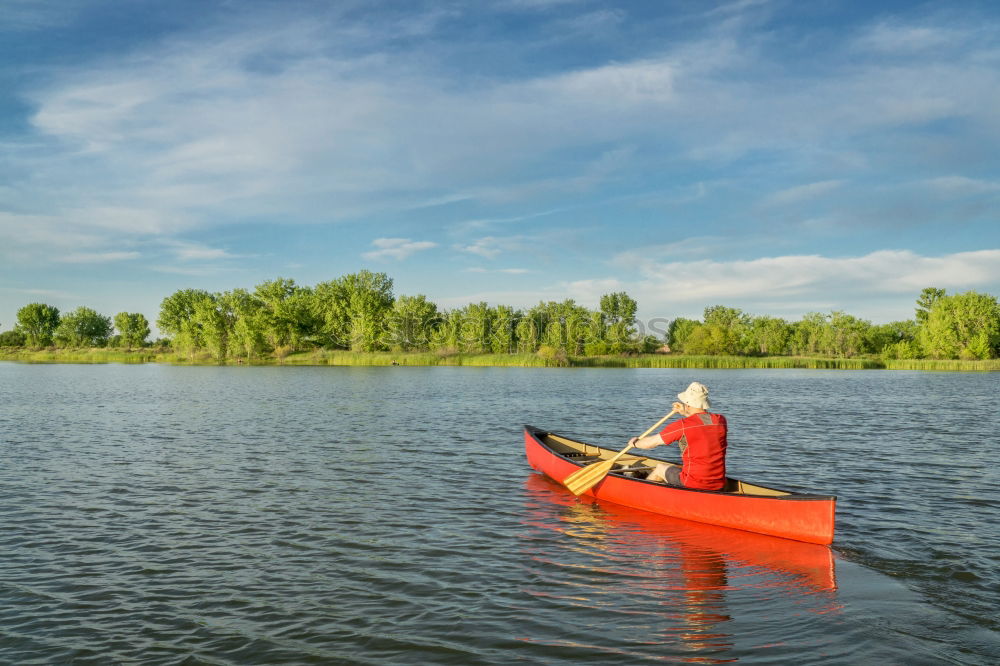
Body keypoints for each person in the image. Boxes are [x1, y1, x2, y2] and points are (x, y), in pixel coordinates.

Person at [627, 381, 728, 491]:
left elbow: (650, 443)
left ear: (688, 404)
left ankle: (642, 494)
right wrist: (684, 412)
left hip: (693, 482)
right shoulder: (721, 421)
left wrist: (635, 443)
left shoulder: (683, 426)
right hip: (718, 482)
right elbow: (700, 422)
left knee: (660, 468)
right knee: (675, 468)